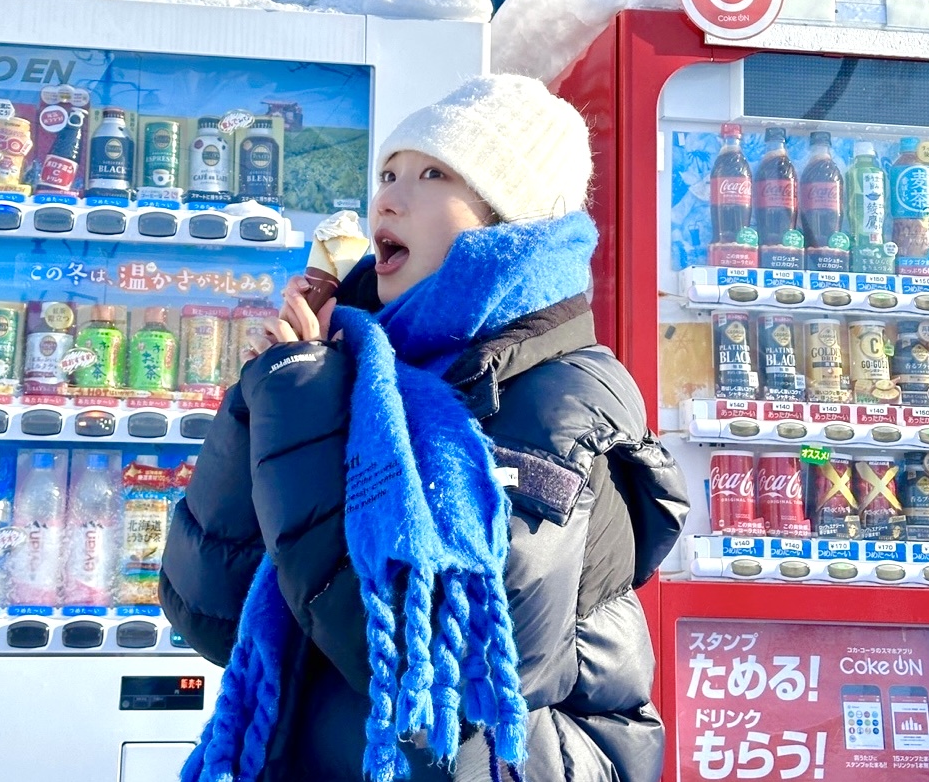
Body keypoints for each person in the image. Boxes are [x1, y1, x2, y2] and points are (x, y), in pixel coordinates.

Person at [161, 73, 689, 782]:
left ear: (508, 217)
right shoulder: (360, 366)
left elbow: (437, 675)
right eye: (387, 173)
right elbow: (208, 612)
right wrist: (261, 395)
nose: (387, 197)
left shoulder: (562, 397)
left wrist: (300, 399)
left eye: (433, 173)